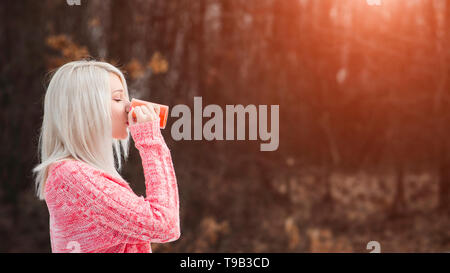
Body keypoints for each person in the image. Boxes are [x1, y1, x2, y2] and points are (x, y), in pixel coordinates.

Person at [32, 60, 180, 253]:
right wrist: (150, 141)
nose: (129, 107)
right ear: (85, 108)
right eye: (118, 99)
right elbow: (164, 224)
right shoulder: (72, 176)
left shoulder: (77, 175)